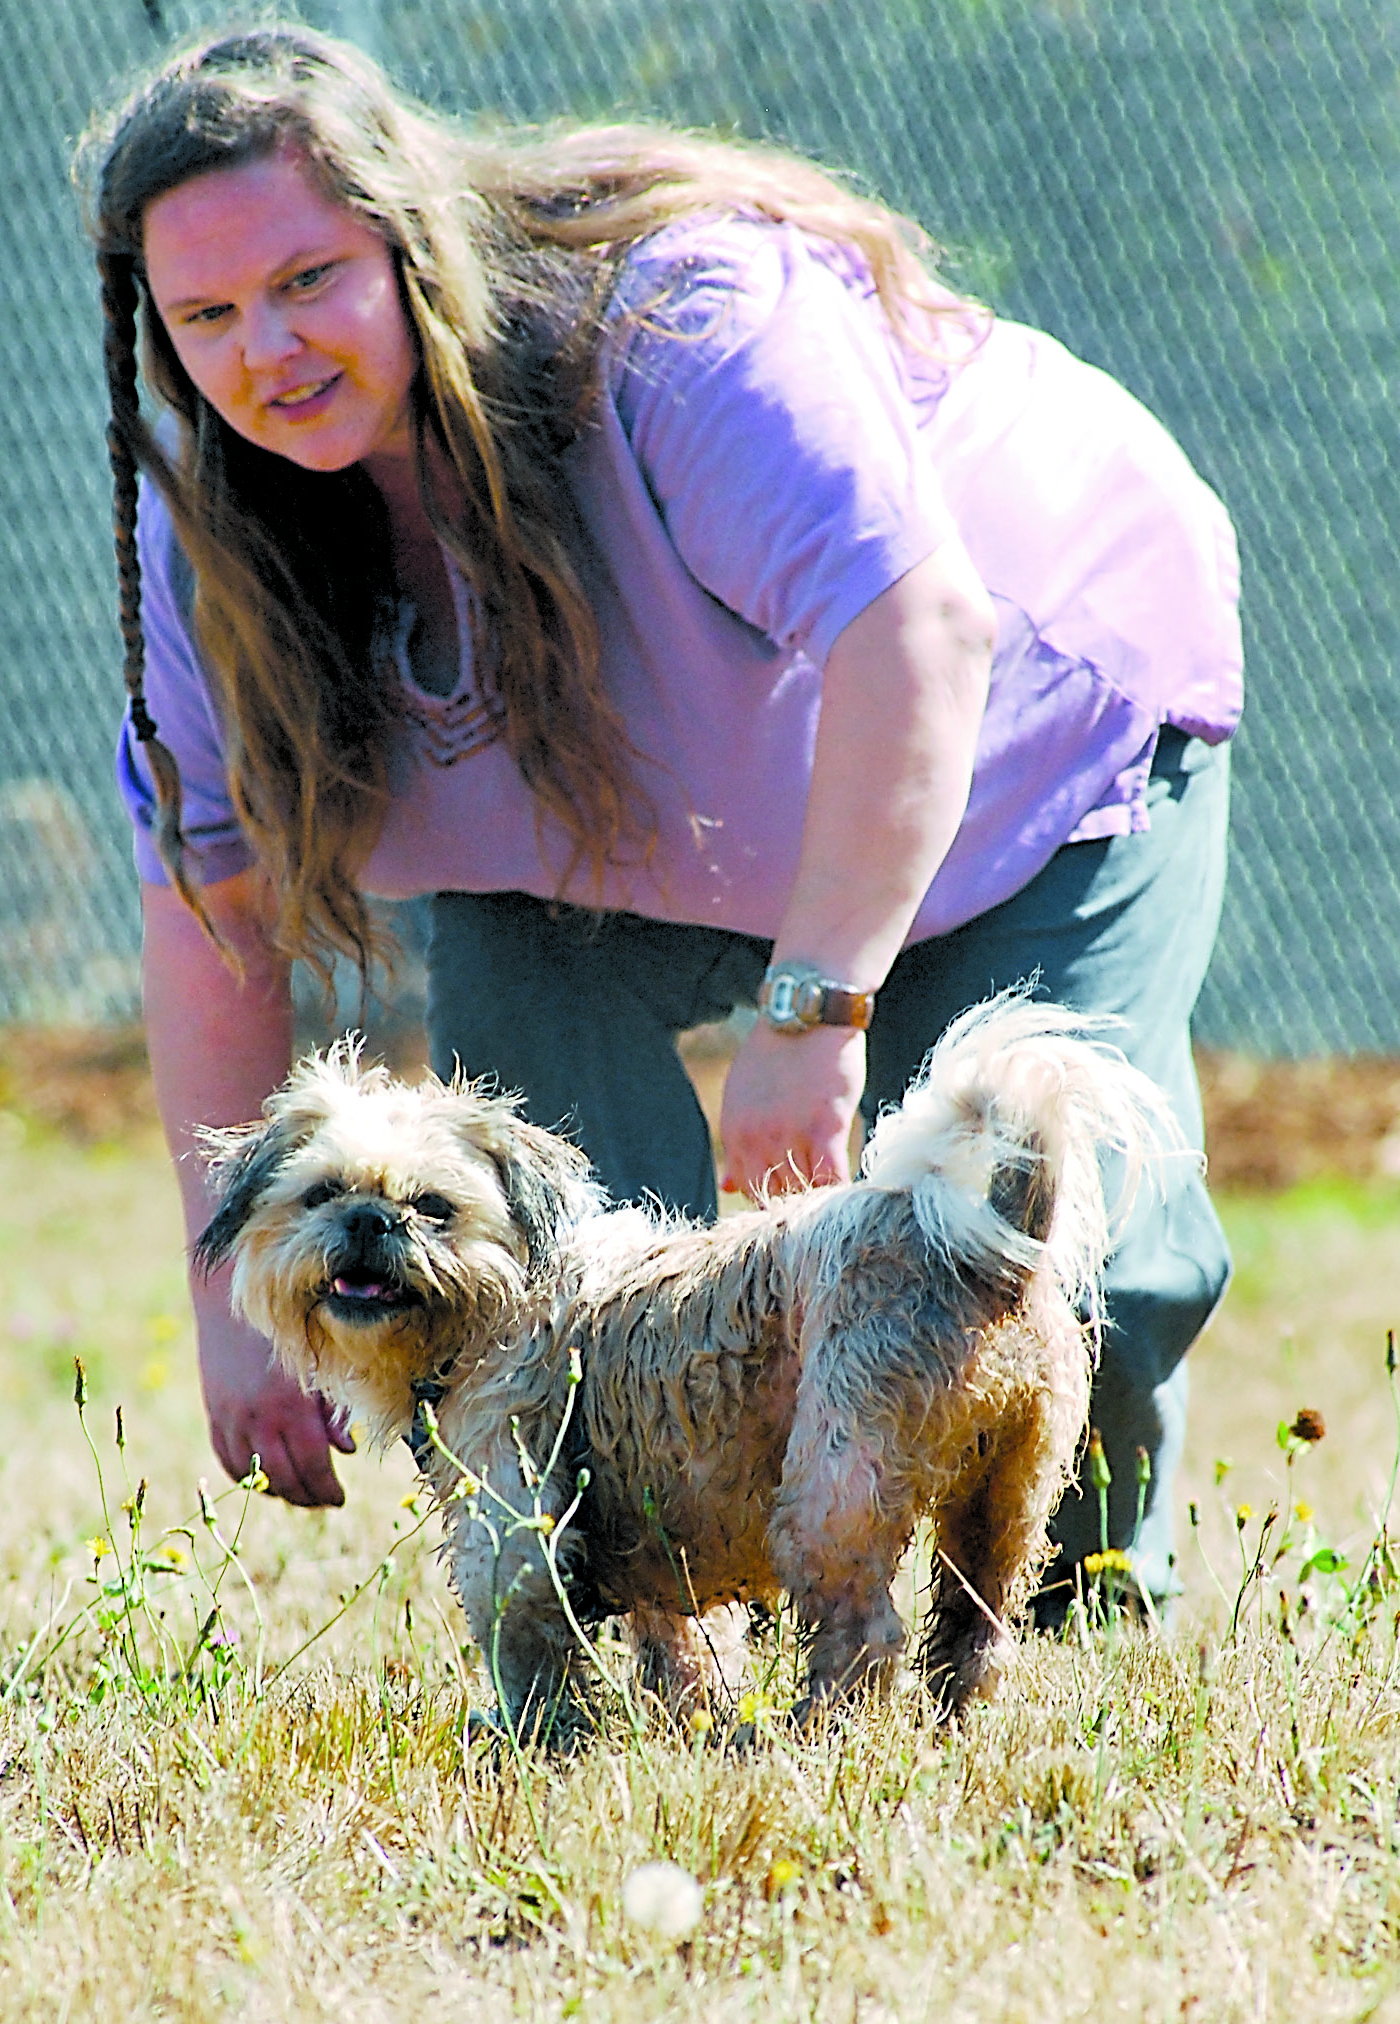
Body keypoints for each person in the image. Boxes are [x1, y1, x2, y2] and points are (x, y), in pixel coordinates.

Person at [82, 24, 1241, 1620]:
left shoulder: (681, 325)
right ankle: (635, 1619)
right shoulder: (214, 530)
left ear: (412, 242)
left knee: (1017, 1239)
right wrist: (233, 1305)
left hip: (1023, 731)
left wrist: (814, 1007)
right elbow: (210, 901)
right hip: (622, 834)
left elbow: (919, 637)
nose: (264, 348)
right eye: (205, 314)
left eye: (309, 280)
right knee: (537, 1262)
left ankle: (1078, 1614)